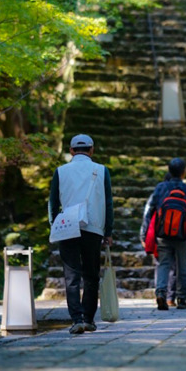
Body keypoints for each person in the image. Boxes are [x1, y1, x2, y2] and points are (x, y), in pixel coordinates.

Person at [49, 134, 114, 335]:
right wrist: (108, 231)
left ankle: (76, 319)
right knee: (91, 275)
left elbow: (52, 203)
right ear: (91, 150)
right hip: (93, 228)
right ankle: (89, 319)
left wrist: (54, 225)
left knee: (71, 276)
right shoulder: (102, 171)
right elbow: (108, 203)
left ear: (71, 151)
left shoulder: (60, 172)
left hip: (67, 227)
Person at [141, 158, 186, 311]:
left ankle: (161, 293)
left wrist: (145, 233)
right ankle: (182, 299)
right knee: (182, 266)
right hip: (182, 235)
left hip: (162, 234)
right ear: (184, 172)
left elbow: (150, 212)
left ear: (169, 170)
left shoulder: (160, 188)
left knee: (163, 265)